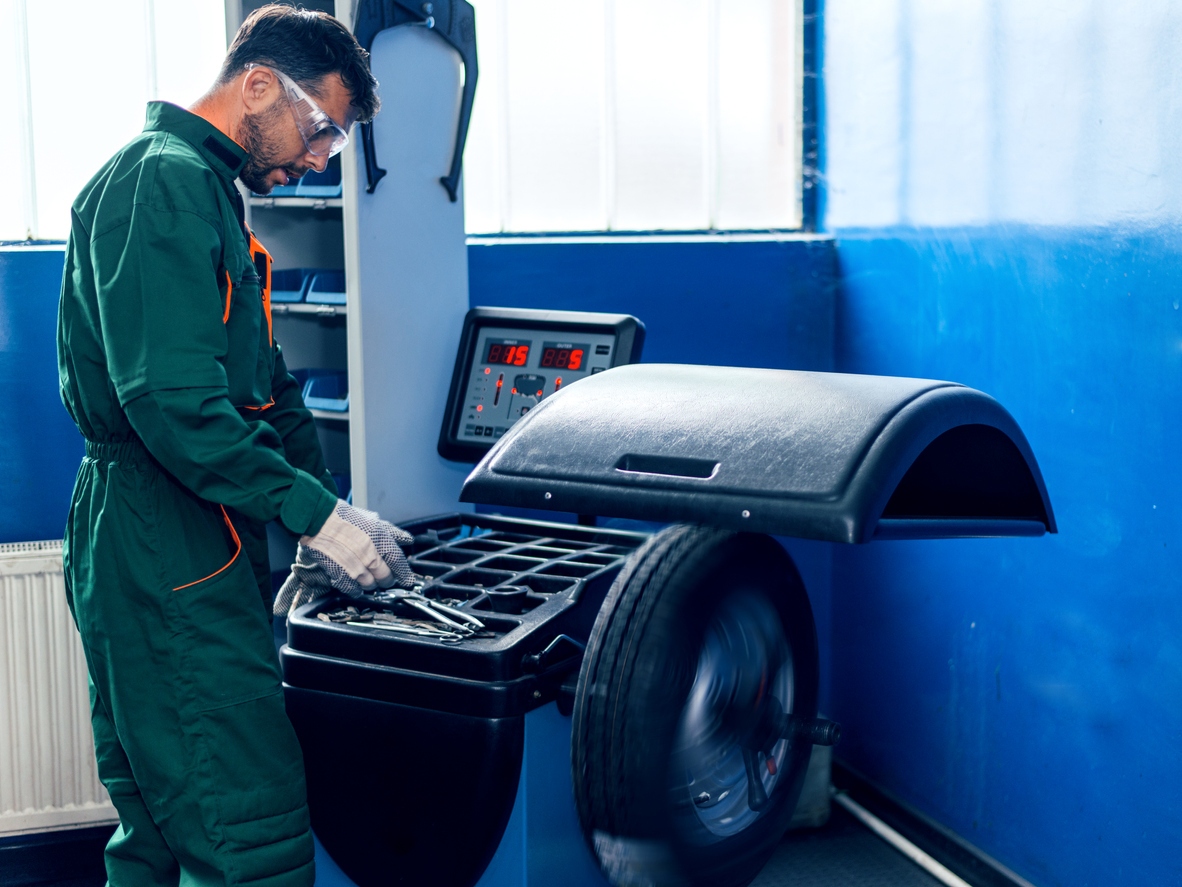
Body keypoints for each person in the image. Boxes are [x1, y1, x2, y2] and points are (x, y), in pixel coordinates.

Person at [56, 6, 411, 885]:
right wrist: (315, 518)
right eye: (322, 128)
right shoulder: (161, 184)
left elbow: (267, 390)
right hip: (161, 523)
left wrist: (328, 515)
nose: (320, 159)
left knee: (162, 832)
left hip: (184, 522)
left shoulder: (207, 190)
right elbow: (174, 409)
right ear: (257, 85)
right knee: (245, 825)